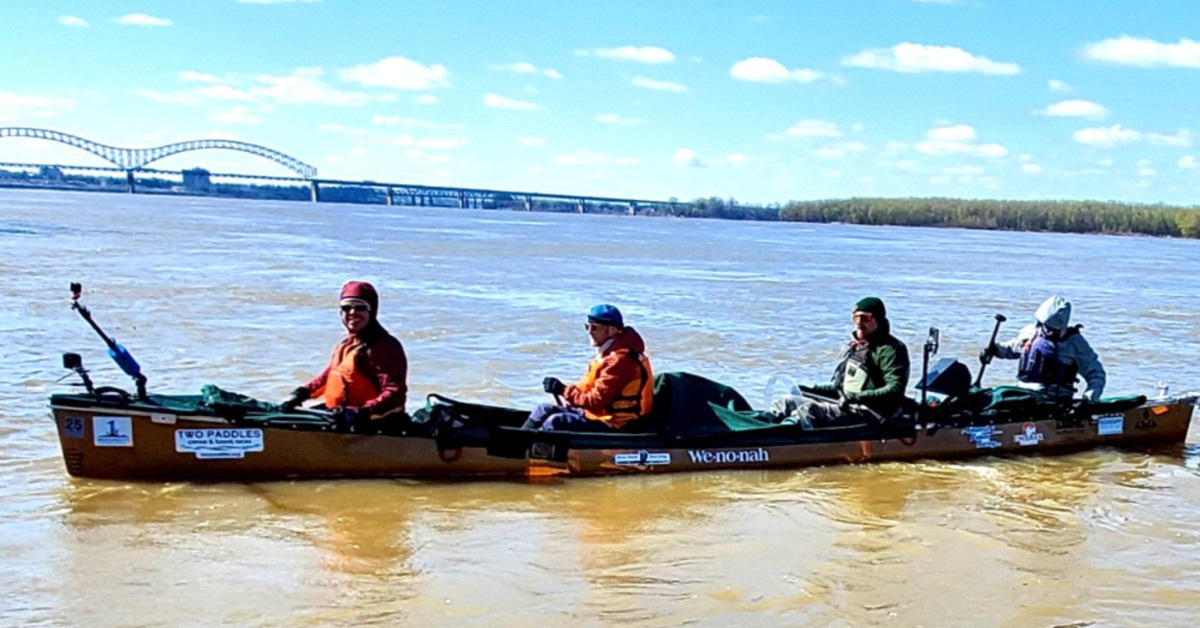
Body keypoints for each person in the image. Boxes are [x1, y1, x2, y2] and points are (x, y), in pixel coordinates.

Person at [280, 281, 409, 433]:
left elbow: (395, 394)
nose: (352, 312)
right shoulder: (346, 344)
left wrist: (361, 412)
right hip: (341, 415)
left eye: (360, 307)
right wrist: (300, 394)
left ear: (372, 311)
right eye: (346, 308)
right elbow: (328, 377)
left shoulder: (385, 346)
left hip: (372, 423)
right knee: (282, 417)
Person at [775, 297, 911, 427]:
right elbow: (842, 388)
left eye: (864, 318)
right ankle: (764, 432)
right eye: (855, 318)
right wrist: (809, 389)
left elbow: (894, 389)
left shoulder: (891, 350)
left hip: (871, 413)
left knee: (807, 410)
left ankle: (787, 445)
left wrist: (856, 397)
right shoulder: (859, 347)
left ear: (877, 319)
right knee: (786, 402)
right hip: (849, 405)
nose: (858, 322)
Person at [524, 304, 654, 432]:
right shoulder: (608, 353)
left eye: (594, 328)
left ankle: (524, 450)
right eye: (587, 326)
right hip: (595, 415)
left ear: (612, 330)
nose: (589, 332)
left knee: (557, 421)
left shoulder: (620, 361)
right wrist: (567, 395)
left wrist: (563, 390)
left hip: (614, 423)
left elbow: (595, 401)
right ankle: (517, 443)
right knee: (544, 409)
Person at [982, 295, 1105, 402]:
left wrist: (1089, 399)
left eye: (1054, 330)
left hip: (1053, 399)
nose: (1049, 332)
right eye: (1046, 328)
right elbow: (1013, 349)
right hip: (1023, 392)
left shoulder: (1074, 343)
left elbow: (1096, 373)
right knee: (998, 396)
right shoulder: (1031, 333)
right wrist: (995, 350)